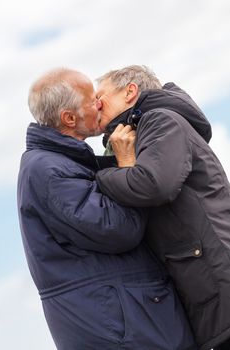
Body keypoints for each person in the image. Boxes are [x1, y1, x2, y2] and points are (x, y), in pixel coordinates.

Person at [17, 68, 197, 350]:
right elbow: (118, 230)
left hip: (129, 319)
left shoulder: (62, 162)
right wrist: (128, 166)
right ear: (69, 118)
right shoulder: (48, 170)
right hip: (122, 327)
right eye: (92, 100)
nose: (100, 104)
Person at [95, 65, 230, 350]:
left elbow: (155, 185)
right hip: (208, 281)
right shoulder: (148, 127)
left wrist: (104, 174)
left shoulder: (160, 120)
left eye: (101, 98)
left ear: (130, 92)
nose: (95, 106)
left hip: (219, 279)